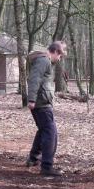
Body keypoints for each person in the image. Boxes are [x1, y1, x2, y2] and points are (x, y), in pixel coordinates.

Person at [25, 41, 65, 177]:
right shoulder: (43, 61)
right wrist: (31, 99)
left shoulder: (44, 61)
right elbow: (34, 79)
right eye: (60, 56)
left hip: (41, 101)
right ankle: (47, 167)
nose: (59, 59)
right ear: (56, 52)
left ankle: (33, 159)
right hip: (41, 103)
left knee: (43, 130)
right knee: (50, 133)